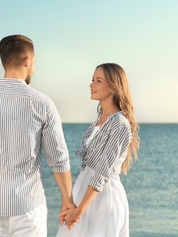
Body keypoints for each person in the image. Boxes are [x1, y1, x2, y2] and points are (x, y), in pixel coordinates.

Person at [0, 34, 74, 236]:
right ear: (28, 61)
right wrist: (67, 200)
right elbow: (58, 159)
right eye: (34, 62)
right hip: (28, 208)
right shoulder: (43, 103)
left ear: (3, 60)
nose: (34, 67)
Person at [57, 63, 140, 237]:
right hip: (85, 193)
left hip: (103, 198)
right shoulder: (100, 120)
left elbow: (102, 171)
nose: (91, 84)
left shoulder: (119, 124)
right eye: (92, 79)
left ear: (113, 86)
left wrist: (80, 210)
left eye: (98, 80)